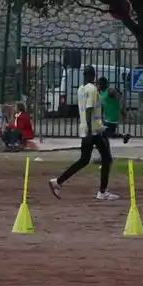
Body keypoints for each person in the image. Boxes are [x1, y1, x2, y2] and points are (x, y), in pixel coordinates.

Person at [47, 68, 115, 201]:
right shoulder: (92, 89)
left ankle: (58, 182)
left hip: (85, 129)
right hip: (93, 130)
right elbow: (89, 109)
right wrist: (90, 131)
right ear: (94, 76)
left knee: (84, 160)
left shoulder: (81, 89)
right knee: (107, 159)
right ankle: (102, 192)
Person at [99, 76, 130, 143]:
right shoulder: (102, 93)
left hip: (112, 118)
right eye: (99, 84)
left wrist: (123, 111)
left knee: (104, 133)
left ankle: (123, 136)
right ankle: (123, 136)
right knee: (106, 134)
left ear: (105, 84)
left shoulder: (109, 91)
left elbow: (119, 99)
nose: (99, 86)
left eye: (100, 84)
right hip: (107, 118)